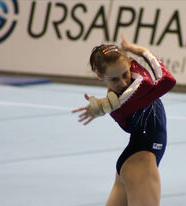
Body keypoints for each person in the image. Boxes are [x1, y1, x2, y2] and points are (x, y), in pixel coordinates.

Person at [72, 35, 176, 206]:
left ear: (129, 63)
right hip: (141, 164)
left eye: (125, 74)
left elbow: (157, 80)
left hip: (134, 160)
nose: (122, 82)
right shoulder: (122, 100)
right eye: (114, 79)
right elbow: (168, 80)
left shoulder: (134, 82)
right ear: (99, 75)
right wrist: (102, 106)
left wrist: (138, 50)